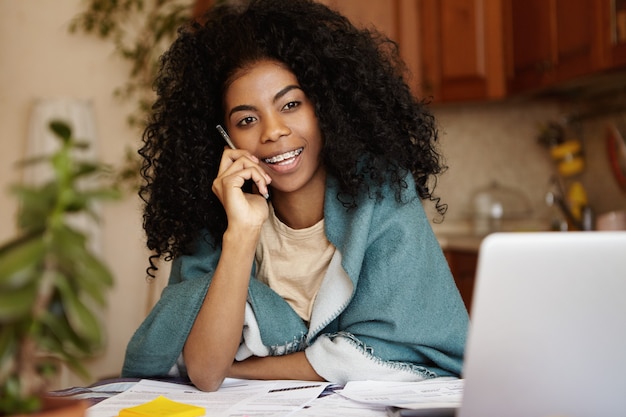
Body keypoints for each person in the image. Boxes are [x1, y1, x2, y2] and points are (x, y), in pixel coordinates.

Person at [122, 0, 469, 392]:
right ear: (223, 138)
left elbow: (404, 351)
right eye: (247, 120)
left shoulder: (382, 194)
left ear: (325, 107)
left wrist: (240, 369)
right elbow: (203, 369)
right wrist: (241, 232)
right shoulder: (216, 215)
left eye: (290, 104)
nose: (273, 132)